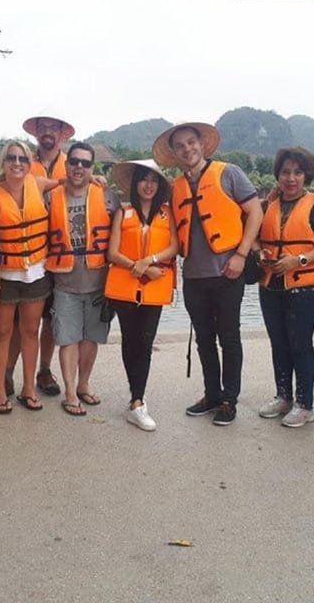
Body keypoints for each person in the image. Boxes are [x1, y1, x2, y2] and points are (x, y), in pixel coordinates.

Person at [152, 122, 263, 425]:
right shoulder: (175, 188)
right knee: (204, 339)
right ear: (174, 153)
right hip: (194, 277)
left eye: (191, 142)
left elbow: (256, 211)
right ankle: (212, 393)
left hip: (228, 271)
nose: (187, 149)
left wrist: (241, 254)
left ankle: (230, 400)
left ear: (201, 144)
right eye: (180, 146)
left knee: (229, 337)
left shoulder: (229, 173)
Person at [255, 147, 314, 427]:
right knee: (279, 343)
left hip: (305, 286)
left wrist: (298, 259)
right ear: (278, 174)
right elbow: (253, 237)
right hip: (270, 284)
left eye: (298, 172)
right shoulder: (268, 205)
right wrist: (260, 253)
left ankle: (305, 403)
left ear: (306, 175)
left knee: (300, 344)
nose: (291, 178)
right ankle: (283, 396)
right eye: (286, 172)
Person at [0, 141, 59, 414]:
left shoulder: (37, 184)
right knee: (2, 333)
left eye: (22, 159)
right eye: (11, 158)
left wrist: (94, 178)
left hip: (36, 272)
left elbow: (65, 181)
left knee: (30, 331)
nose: (17, 163)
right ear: (3, 162)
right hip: (5, 275)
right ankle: (1, 388)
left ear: (30, 162)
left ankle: (28, 388)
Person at [45, 142, 119, 416]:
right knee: (68, 339)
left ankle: (84, 384)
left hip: (99, 282)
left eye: (86, 164)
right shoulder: (51, 196)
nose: (79, 167)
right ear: (67, 164)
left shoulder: (107, 196)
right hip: (65, 283)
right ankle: (69, 391)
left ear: (92, 167)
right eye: (74, 162)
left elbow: (122, 233)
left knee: (91, 339)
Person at [105, 159, 178, 431]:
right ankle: (135, 401)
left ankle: (137, 400)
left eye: (154, 180)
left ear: (159, 185)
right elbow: (112, 252)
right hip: (125, 286)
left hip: (154, 286)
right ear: (135, 184)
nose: (148, 185)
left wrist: (149, 260)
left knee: (146, 342)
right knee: (130, 341)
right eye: (143, 179)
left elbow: (174, 246)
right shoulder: (122, 214)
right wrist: (136, 267)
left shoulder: (167, 214)